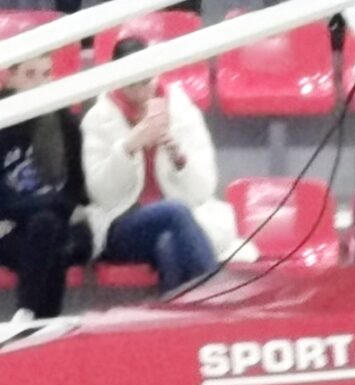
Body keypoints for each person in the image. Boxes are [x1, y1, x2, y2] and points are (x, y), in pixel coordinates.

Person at [79, 39, 234, 296]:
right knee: (174, 211)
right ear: (117, 80)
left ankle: (179, 317)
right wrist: (128, 148)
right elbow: (101, 195)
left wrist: (178, 158)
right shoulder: (98, 119)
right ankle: (218, 301)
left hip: (181, 221)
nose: (142, 92)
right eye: (132, 85)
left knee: (168, 244)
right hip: (121, 226)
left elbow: (203, 189)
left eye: (146, 82)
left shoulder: (182, 112)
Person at [0, 53, 90, 322]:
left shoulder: (66, 123)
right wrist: (54, 204)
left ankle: (27, 315)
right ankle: (45, 322)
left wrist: (50, 207)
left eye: (46, 74)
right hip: (10, 231)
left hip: (53, 227)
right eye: (30, 75)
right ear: (10, 78)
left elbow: (76, 192)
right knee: (48, 232)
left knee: (47, 227)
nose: (41, 83)